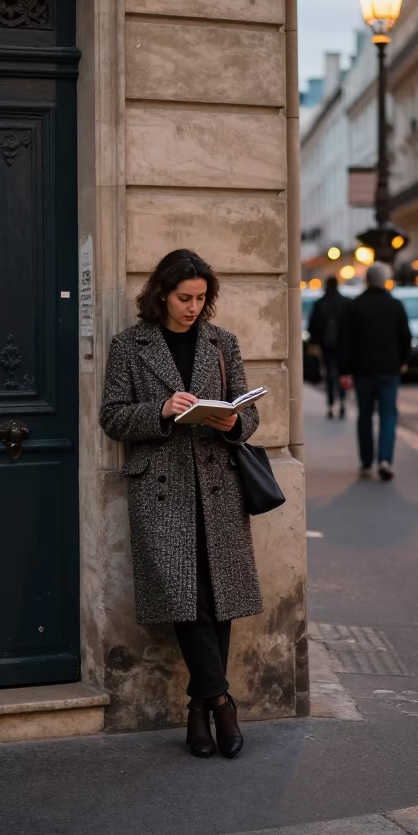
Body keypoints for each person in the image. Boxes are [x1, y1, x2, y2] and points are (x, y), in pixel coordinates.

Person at [99, 250, 262, 759]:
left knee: (220, 598)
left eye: (201, 298)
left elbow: (248, 413)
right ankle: (221, 702)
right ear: (161, 295)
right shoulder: (129, 345)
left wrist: (234, 422)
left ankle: (198, 712)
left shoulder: (222, 343)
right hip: (162, 491)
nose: (194, 307)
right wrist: (162, 411)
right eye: (184, 298)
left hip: (217, 486)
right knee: (183, 599)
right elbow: (112, 417)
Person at [338, 262, 411, 481]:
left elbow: (346, 341)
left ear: (367, 280)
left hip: (363, 370)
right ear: (385, 280)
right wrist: (403, 361)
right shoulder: (395, 305)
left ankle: (367, 461)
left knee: (365, 415)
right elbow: (405, 337)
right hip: (390, 369)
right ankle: (385, 460)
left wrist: (344, 371)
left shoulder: (354, 306)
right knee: (389, 414)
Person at [308, 276, 350, 418]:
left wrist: (314, 343)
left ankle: (331, 404)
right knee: (342, 373)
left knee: (329, 374)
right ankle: (343, 401)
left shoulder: (320, 303)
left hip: (326, 345)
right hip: (343, 345)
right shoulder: (345, 302)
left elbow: (313, 325)